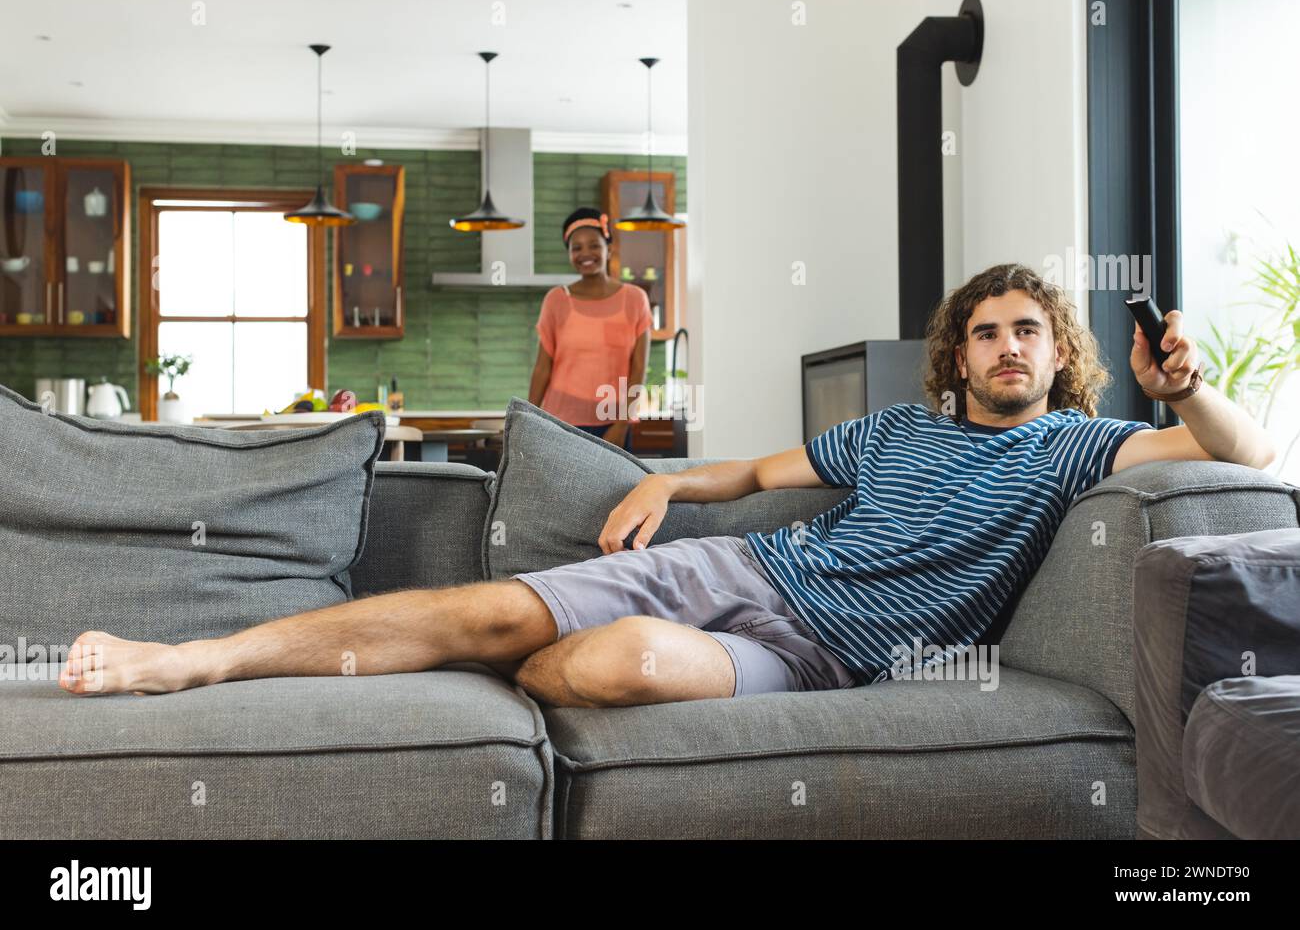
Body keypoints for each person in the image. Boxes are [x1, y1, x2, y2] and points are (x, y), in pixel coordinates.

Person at [58, 264, 1276, 705]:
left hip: (820, 658)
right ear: (955, 353)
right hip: (744, 566)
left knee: (620, 664)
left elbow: (1246, 457)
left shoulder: (1079, 448)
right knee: (493, 607)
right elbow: (754, 468)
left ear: (1059, 355)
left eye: (1030, 333)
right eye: (987, 332)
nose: (1010, 348)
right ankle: (198, 658)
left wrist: (1179, 386)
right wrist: (673, 489)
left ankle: (461, 659)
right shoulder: (897, 432)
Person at [527, 206, 652, 451]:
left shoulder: (635, 299)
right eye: (577, 247)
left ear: (609, 249)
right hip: (560, 423)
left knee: (617, 491)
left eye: (594, 245)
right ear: (570, 254)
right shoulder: (557, 300)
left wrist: (622, 423)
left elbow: (638, 368)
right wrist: (528, 420)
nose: (586, 253)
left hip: (613, 423)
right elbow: (543, 368)